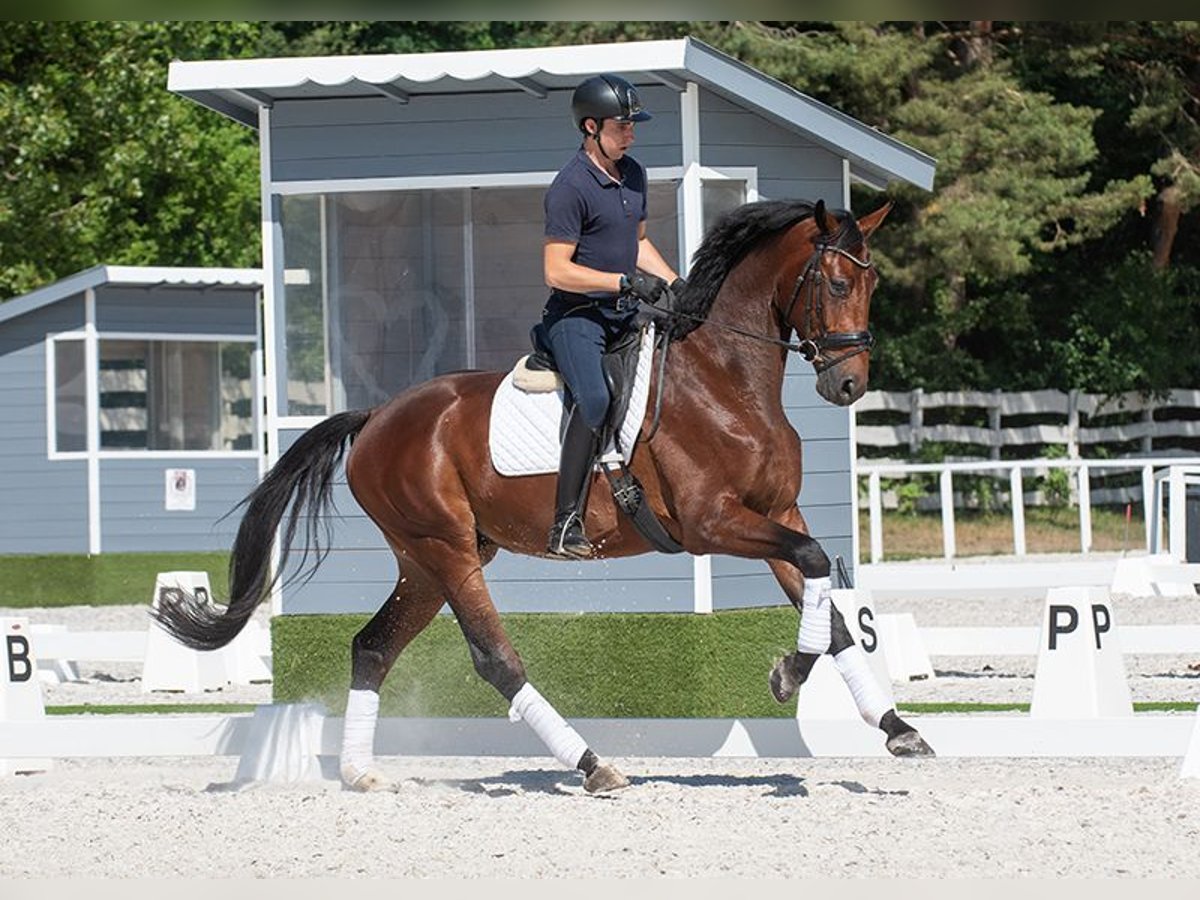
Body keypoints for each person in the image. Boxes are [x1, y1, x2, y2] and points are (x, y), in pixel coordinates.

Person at [540, 73, 684, 559]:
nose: (631, 133)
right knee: (596, 398)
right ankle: (564, 523)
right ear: (590, 127)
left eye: (632, 125)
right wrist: (621, 282)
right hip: (576, 317)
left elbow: (638, 243)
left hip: (624, 314)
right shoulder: (569, 187)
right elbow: (556, 271)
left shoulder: (635, 174)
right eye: (622, 126)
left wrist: (674, 282)